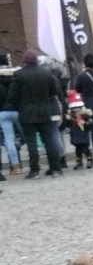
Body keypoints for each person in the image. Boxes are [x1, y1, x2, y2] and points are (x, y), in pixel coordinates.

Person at [7, 49, 65, 178]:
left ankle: (34, 170)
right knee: (49, 140)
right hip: (45, 110)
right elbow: (54, 91)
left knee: (31, 143)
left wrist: (19, 106)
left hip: (26, 113)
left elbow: (12, 96)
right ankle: (55, 168)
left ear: (24, 60)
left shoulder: (18, 75)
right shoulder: (47, 74)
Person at [0, 71, 23, 174]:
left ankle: (15, 166)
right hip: (17, 112)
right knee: (27, 136)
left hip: (3, 113)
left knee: (9, 140)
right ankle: (33, 160)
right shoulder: (16, 85)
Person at [66, 90, 93, 169]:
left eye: (77, 108)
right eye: (74, 108)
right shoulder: (71, 116)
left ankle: (89, 160)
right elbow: (68, 126)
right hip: (75, 135)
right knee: (78, 151)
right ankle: (79, 162)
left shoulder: (85, 115)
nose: (76, 110)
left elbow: (91, 124)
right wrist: (67, 120)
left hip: (83, 135)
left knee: (86, 149)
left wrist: (85, 123)